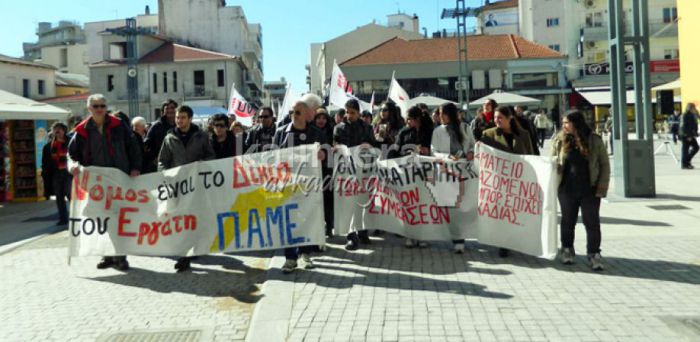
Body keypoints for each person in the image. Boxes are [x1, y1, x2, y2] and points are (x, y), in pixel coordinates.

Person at [68, 94, 142, 271]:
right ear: (89, 109)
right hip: (96, 185)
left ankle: (120, 256)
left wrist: (135, 167)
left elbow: (133, 148)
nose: (100, 109)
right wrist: (73, 166)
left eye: (102, 105)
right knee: (102, 221)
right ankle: (107, 256)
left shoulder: (119, 126)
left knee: (118, 220)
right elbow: (71, 154)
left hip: (118, 181)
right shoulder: (82, 130)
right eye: (96, 106)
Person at [158, 105, 215, 272]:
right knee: (180, 219)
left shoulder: (201, 136)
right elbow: (162, 161)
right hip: (176, 186)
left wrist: (203, 164)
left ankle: (188, 253)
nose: (179, 121)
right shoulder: (169, 138)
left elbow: (210, 155)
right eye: (177, 118)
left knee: (193, 218)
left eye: (182, 117)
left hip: (196, 185)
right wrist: (165, 175)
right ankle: (184, 253)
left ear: (190, 118)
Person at [274, 100, 328, 273]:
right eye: (292, 112)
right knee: (289, 220)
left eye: (298, 112)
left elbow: (327, 152)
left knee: (307, 218)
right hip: (288, 184)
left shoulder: (316, 133)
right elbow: (272, 156)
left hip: (309, 184)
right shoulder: (282, 133)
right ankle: (290, 258)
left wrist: (322, 154)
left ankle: (306, 254)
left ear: (306, 115)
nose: (294, 116)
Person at [551, 110, 610, 271]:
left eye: (566, 123)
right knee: (567, 221)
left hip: (590, 189)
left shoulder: (594, 140)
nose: (563, 126)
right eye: (563, 123)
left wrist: (602, 186)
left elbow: (604, 165)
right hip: (566, 189)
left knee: (592, 222)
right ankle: (567, 249)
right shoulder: (559, 140)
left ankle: (594, 254)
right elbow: (551, 161)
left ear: (576, 123)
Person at [480, 106, 535, 258]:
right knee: (502, 214)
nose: (496, 121)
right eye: (495, 118)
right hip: (498, 180)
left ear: (510, 118)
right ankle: (504, 244)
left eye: (500, 118)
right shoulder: (488, 134)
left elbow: (530, 155)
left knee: (516, 213)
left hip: (518, 180)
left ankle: (516, 240)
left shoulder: (523, 134)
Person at [431, 102, 475, 254]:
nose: (441, 116)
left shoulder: (465, 128)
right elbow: (433, 151)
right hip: (446, 172)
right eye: (440, 113)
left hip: (464, 172)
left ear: (451, 114)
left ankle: (464, 234)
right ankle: (457, 238)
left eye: (444, 113)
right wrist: (445, 156)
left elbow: (472, 145)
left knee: (465, 204)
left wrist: (471, 152)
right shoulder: (437, 131)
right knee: (451, 206)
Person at [334, 98, 375, 251]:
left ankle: (363, 231)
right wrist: (338, 148)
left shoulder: (367, 128)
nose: (349, 115)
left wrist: (369, 145)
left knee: (362, 202)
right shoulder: (339, 128)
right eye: (347, 112)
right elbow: (336, 144)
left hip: (363, 171)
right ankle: (351, 236)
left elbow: (375, 146)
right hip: (346, 172)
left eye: (353, 112)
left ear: (358, 113)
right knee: (348, 203)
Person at [398, 106, 434, 248]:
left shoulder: (429, 131)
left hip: (425, 172)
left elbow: (435, 149)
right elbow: (396, 148)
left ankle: (423, 236)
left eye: (410, 119)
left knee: (424, 203)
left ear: (417, 119)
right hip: (408, 172)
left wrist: (427, 151)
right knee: (409, 204)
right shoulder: (404, 132)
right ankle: (410, 235)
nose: (407, 122)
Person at [41, 122, 71, 226]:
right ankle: (63, 218)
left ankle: (77, 216)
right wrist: (45, 174)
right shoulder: (48, 147)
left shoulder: (71, 143)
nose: (57, 132)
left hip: (69, 174)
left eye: (59, 129)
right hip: (56, 174)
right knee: (59, 197)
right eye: (55, 129)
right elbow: (45, 163)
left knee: (71, 195)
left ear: (64, 130)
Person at [312, 108, 335, 238]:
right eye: (318, 118)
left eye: (324, 118)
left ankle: (329, 226)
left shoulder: (332, 131)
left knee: (328, 200)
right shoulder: (310, 132)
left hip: (328, 170)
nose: (321, 120)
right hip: (313, 171)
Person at [144, 100, 178, 173]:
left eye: (172, 108)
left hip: (178, 163)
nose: (170, 110)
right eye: (167, 108)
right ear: (163, 111)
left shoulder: (180, 125)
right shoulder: (156, 126)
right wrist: (153, 158)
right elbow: (146, 145)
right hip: (161, 165)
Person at [680, 103, 699, 169]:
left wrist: (697, 114)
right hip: (686, 135)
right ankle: (684, 164)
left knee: (696, 147)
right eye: (694, 107)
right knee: (685, 150)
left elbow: (694, 124)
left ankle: (686, 162)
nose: (695, 109)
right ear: (690, 108)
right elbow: (683, 126)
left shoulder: (693, 115)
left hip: (691, 134)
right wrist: (688, 135)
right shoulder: (685, 115)